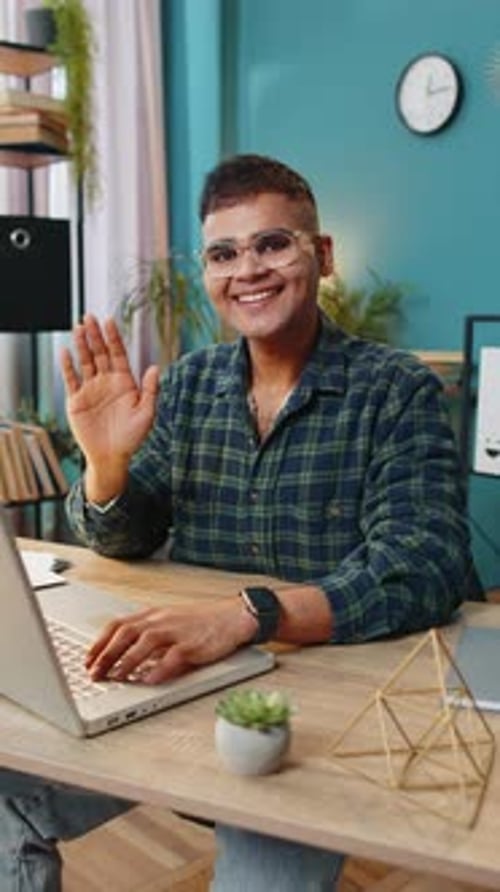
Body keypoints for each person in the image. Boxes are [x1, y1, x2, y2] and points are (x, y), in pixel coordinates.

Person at [0, 154, 475, 892]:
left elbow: (425, 564)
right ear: (207, 272)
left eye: (272, 244)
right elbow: (127, 535)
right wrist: (105, 465)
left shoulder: (397, 389)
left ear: (321, 256)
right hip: (183, 684)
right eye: (223, 253)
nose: (247, 270)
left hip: (317, 710)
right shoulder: (188, 385)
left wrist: (247, 615)